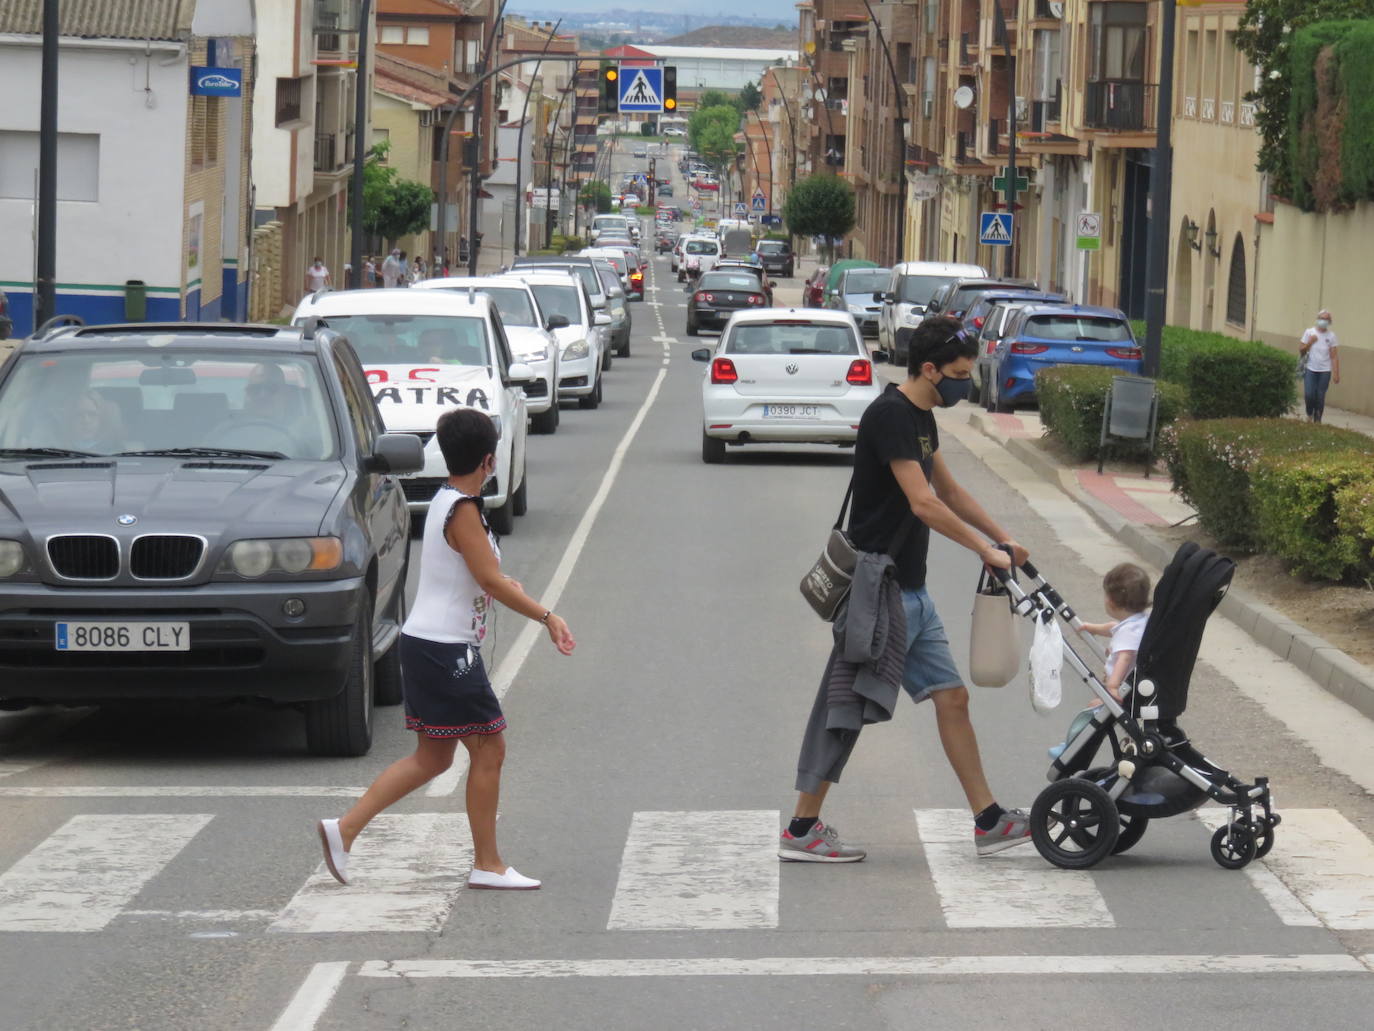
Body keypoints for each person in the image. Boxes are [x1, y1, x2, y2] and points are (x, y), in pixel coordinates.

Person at [782, 316, 1033, 864]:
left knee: (953, 697)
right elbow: (923, 503)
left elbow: (950, 489)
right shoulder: (891, 415)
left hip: (912, 594)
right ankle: (802, 829)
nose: (966, 384)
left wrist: (1003, 537)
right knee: (844, 708)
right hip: (880, 591)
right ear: (928, 369)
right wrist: (982, 550)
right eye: (960, 374)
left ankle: (988, 820)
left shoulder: (922, 416)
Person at [318, 409, 576, 891]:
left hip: (427, 644)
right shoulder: (465, 511)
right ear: (489, 460)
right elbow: (487, 579)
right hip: (445, 650)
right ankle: (488, 864)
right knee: (490, 747)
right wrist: (547, 616)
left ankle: (344, 829)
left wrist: (494, 584)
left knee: (433, 758)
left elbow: (470, 576)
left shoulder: (445, 499)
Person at [1048, 563, 1151, 760]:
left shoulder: (1128, 634)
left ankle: (1071, 747)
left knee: (1090, 713)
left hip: (1122, 690)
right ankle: (1072, 744)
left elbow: (1125, 656)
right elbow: (1113, 627)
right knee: (1095, 711)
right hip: (1132, 685)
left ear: (1111, 601)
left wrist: (1113, 685)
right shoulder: (1137, 622)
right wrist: (1093, 628)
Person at [1299, 309, 1340, 423]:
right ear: (1318, 319)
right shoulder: (1309, 332)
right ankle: (1309, 413)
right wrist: (1310, 342)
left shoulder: (1331, 336)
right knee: (1309, 394)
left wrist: (1336, 373)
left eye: (1326, 319)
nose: (1324, 321)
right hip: (1310, 368)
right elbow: (1301, 350)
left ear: (1330, 321)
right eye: (1322, 318)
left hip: (1325, 370)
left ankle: (1317, 420)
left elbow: (1334, 356)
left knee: (1320, 396)